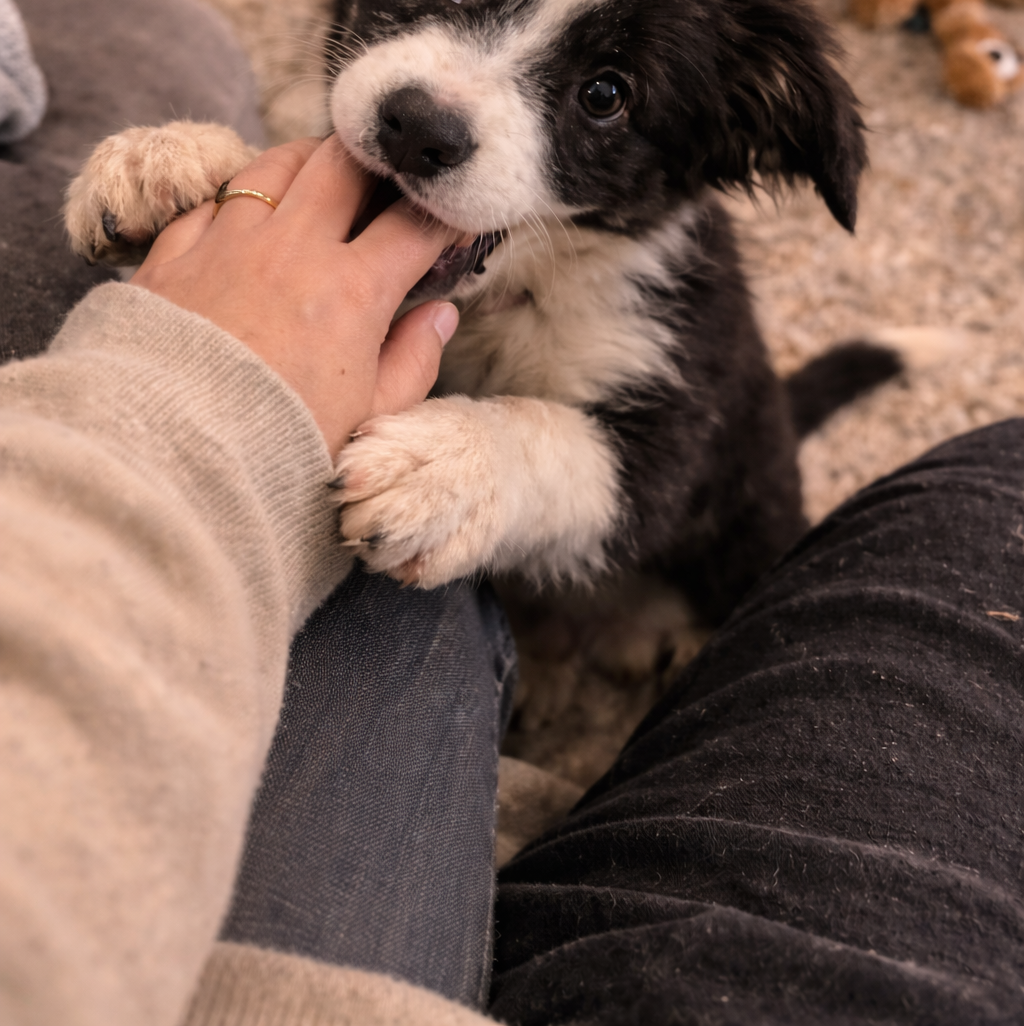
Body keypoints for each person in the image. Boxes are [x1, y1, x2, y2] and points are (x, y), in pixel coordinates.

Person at [1, 62, 1021, 1025]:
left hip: (662, 574)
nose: (443, 97)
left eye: (607, 92)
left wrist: (498, 457)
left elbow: (641, 475)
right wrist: (213, 190)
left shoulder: (652, 293)